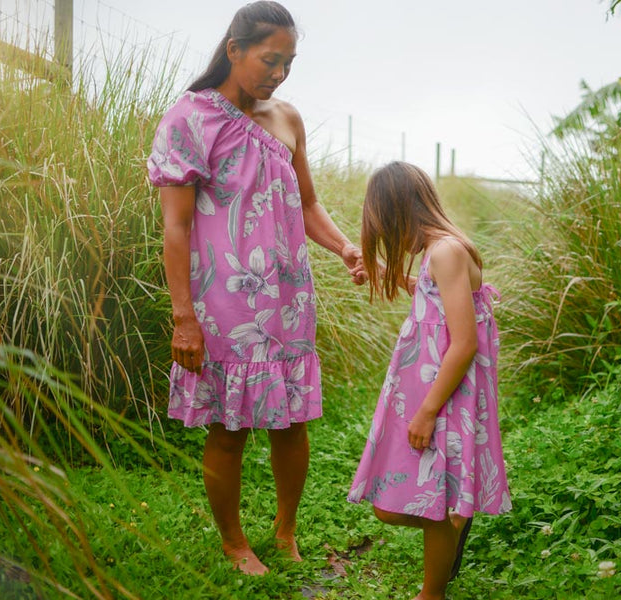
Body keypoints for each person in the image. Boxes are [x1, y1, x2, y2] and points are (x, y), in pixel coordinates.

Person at [147, 1, 363, 576]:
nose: (279, 73)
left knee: (293, 422)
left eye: (289, 62)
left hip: (289, 297)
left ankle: (286, 531)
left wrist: (343, 246)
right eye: (270, 59)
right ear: (234, 48)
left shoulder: (287, 118)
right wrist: (183, 316)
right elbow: (176, 226)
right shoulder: (189, 119)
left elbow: (309, 204)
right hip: (223, 302)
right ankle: (234, 543)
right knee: (230, 426)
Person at [347, 162, 512, 600]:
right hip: (433, 390)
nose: (385, 233)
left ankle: (432, 590)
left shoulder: (446, 251)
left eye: (384, 224)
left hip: (443, 397)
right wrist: (386, 271)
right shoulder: (437, 253)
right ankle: (452, 519)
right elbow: (433, 293)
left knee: (423, 505)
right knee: (392, 505)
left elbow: (463, 343)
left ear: (398, 211)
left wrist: (425, 412)